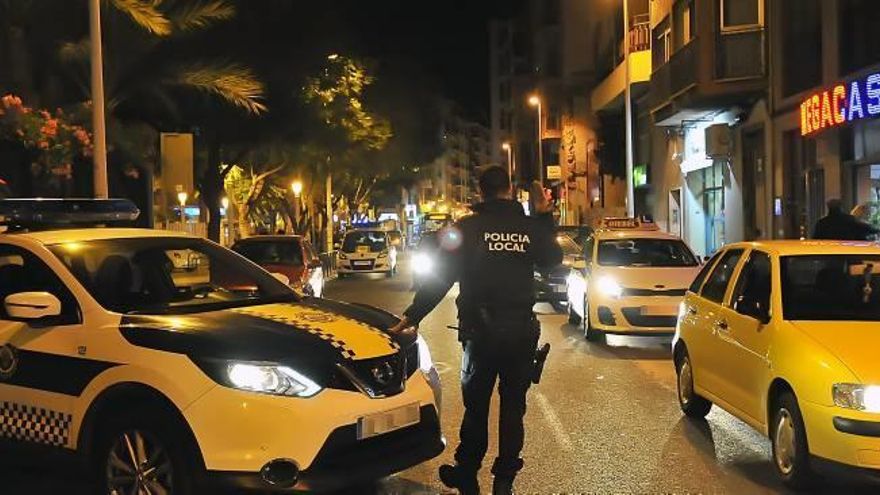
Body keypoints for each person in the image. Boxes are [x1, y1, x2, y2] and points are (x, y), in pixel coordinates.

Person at [390, 166, 562, 495]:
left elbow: (439, 279)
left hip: (479, 334)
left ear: (480, 192)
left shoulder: (466, 229)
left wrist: (412, 316)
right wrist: (544, 217)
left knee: (477, 407)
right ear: (510, 189)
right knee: (513, 408)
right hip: (520, 333)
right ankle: (504, 481)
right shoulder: (527, 228)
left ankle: (467, 472)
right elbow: (553, 259)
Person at [813, 198, 879, 241]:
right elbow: (868, 229)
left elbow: (815, 239)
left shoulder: (822, 223)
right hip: (851, 254)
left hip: (828, 255)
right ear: (841, 207)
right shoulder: (850, 220)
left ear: (828, 208)